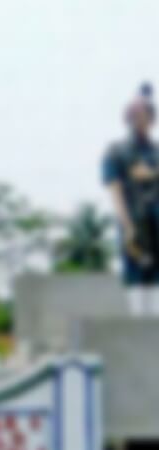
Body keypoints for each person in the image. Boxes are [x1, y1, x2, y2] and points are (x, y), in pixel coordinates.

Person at [104, 82, 159, 315]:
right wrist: (127, 226)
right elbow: (115, 190)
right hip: (134, 225)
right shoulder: (116, 151)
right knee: (136, 285)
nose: (138, 118)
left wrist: (152, 174)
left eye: (143, 113)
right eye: (134, 113)